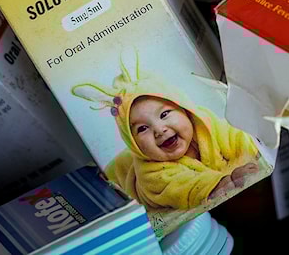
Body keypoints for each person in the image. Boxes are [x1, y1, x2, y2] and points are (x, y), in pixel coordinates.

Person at [73, 57, 262, 212]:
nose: (159, 129)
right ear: (133, 143)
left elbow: (236, 137)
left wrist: (255, 149)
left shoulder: (206, 124)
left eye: (164, 114)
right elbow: (181, 187)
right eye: (142, 129)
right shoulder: (150, 172)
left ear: (185, 109)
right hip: (113, 175)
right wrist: (220, 183)